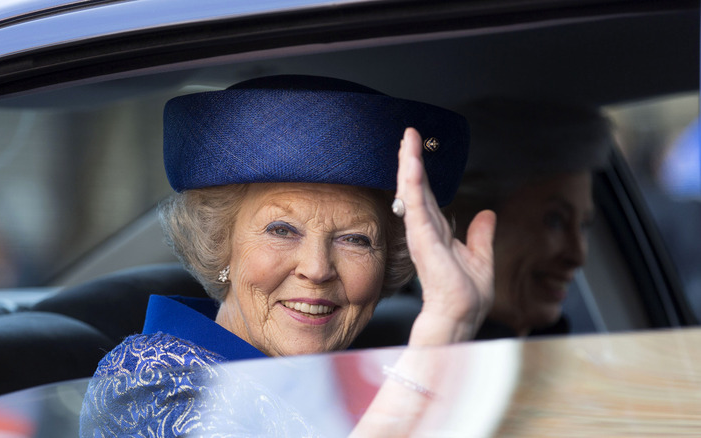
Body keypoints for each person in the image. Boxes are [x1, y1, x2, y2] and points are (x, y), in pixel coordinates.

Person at [79, 75, 496, 436]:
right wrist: (441, 335)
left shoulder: (354, 387)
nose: (316, 269)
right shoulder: (150, 383)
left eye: (355, 239)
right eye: (281, 230)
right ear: (220, 244)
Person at [446, 97, 612, 339]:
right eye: (554, 220)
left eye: (583, 225)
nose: (578, 255)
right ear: (464, 224)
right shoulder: (433, 368)